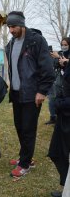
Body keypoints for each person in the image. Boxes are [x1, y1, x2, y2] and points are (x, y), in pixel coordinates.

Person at [5, 11, 55, 177]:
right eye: (9, 27)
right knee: (19, 126)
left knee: (28, 129)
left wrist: (42, 91)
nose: (11, 30)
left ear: (21, 24)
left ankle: (25, 164)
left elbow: (47, 68)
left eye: (13, 26)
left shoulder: (36, 41)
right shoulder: (10, 44)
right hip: (17, 93)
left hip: (32, 94)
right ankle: (25, 157)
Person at [48, 37, 70, 197]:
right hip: (64, 115)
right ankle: (65, 187)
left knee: (62, 153)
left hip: (66, 111)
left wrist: (60, 103)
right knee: (57, 152)